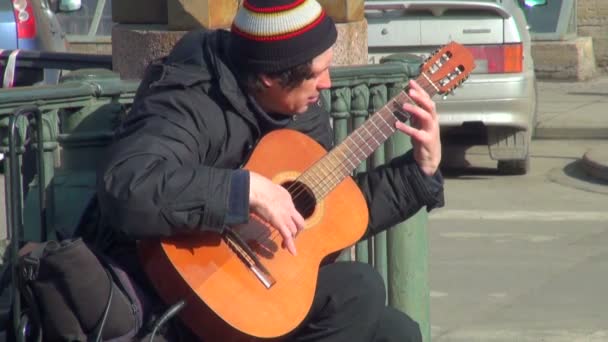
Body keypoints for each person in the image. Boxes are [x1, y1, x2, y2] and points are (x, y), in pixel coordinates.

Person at [95, 0, 445, 340]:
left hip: (265, 292)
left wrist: (420, 171)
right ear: (268, 78)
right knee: (359, 288)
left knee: (397, 332)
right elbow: (127, 185)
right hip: (183, 295)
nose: (327, 84)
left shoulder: (301, 109)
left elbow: (331, 215)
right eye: (315, 74)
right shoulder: (188, 99)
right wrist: (244, 191)